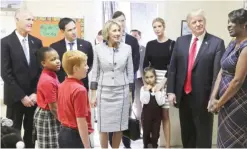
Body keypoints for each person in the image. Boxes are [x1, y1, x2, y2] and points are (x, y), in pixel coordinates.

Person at [166, 9, 225, 148]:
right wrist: (170, 91)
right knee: (187, 134)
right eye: (194, 22)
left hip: (204, 98)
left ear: (204, 22)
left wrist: (214, 98)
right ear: (189, 25)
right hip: (183, 96)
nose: (198, 24)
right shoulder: (180, 41)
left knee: (203, 135)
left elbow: (218, 74)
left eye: (201, 21)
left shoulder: (216, 43)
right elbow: (173, 68)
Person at [1, 9, 43, 148]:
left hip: (33, 98)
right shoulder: (5, 43)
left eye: (32, 19)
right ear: (17, 20)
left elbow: (40, 70)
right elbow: (5, 73)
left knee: (31, 133)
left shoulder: (37, 42)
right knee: (13, 133)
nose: (31, 22)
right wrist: (22, 96)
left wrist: (35, 93)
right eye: (27, 19)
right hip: (15, 98)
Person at [90, 20, 133, 148]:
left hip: (122, 92)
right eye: (114, 30)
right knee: (103, 127)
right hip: (104, 92)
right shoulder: (98, 49)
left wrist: (130, 95)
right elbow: (95, 72)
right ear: (107, 32)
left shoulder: (127, 48)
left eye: (119, 30)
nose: (117, 33)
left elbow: (130, 72)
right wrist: (93, 95)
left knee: (119, 127)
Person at [208, 8, 247, 148]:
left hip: (238, 102)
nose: (229, 25)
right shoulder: (232, 43)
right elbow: (222, 70)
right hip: (226, 101)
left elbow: (237, 81)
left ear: (244, 25)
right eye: (228, 22)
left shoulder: (246, 48)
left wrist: (219, 103)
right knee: (223, 138)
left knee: (234, 141)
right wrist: (213, 97)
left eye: (233, 22)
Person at [109, 10, 140, 149]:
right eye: (117, 21)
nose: (121, 23)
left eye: (123, 20)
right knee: (112, 114)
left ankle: (127, 144)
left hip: (128, 83)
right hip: (111, 84)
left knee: (126, 113)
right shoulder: (107, 39)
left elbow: (136, 61)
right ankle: (112, 143)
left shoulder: (132, 40)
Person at [143, 17, 174, 148]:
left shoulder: (172, 44)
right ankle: (150, 143)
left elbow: (173, 66)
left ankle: (167, 145)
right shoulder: (150, 44)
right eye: (154, 27)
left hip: (166, 79)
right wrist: (147, 83)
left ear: (164, 27)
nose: (157, 29)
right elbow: (145, 64)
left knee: (165, 114)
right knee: (152, 113)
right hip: (151, 78)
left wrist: (162, 83)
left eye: (159, 26)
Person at [57, 50, 93, 148]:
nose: (88, 67)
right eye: (85, 65)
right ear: (76, 68)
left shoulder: (61, 85)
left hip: (63, 132)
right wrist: (87, 146)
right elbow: (81, 121)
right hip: (75, 136)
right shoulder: (79, 90)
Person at [50, 17, 93, 90]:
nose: (74, 32)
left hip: (81, 85)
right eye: (70, 30)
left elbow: (89, 63)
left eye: (74, 28)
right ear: (62, 31)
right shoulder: (55, 47)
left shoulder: (86, 45)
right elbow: (54, 67)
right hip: (62, 86)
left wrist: (79, 75)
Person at [33, 47, 61, 148]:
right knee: (50, 146)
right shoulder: (48, 80)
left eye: (58, 58)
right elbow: (53, 107)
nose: (58, 61)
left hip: (52, 113)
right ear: (43, 63)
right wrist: (63, 121)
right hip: (48, 116)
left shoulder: (52, 74)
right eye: (53, 60)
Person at [140, 67, 166, 148]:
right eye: (147, 77)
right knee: (146, 134)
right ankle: (146, 146)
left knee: (155, 135)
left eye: (151, 77)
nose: (149, 79)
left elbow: (161, 102)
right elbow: (145, 101)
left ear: (155, 77)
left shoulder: (160, 89)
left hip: (157, 117)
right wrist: (147, 90)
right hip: (146, 116)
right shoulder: (143, 89)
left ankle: (154, 146)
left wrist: (156, 91)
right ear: (144, 78)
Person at [130, 29, 146, 124]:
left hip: (141, 79)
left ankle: (143, 124)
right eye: (132, 36)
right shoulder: (128, 48)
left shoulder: (143, 48)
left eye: (135, 35)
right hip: (132, 79)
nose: (134, 37)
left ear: (140, 37)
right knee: (136, 103)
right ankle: (138, 124)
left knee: (142, 101)